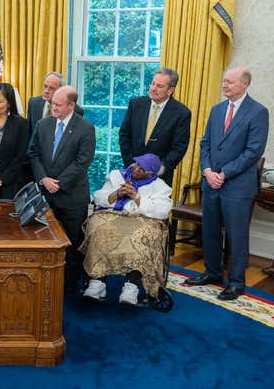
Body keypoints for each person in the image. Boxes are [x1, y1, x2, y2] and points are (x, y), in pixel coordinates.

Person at [185, 67, 269, 301]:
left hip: (238, 186)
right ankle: (212, 273)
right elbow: (205, 144)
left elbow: (254, 151)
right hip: (211, 182)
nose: (225, 85)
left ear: (245, 84)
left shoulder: (258, 112)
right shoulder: (217, 109)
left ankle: (236, 283)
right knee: (210, 231)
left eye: (230, 82)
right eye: (224, 81)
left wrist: (225, 173)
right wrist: (207, 170)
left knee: (236, 235)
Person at [28, 85, 95, 293]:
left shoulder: (86, 128)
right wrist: (43, 179)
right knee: (43, 239)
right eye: (52, 103)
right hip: (45, 194)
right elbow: (33, 153)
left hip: (71, 197)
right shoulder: (43, 124)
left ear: (71, 105)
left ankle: (68, 286)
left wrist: (57, 182)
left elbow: (82, 162)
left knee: (71, 242)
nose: (52, 107)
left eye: (57, 104)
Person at [80, 154, 172, 305]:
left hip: (142, 219)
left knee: (139, 236)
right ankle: (97, 282)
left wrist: (136, 196)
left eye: (141, 169)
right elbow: (98, 197)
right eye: (135, 164)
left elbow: (162, 210)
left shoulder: (160, 186)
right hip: (110, 214)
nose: (135, 169)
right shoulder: (117, 176)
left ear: (150, 174)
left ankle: (132, 286)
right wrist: (117, 193)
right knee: (100, 230)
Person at [119, 67, 191, 186]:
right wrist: (131, 164)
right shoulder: (136, 104)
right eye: (153, 84)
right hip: (132, 172)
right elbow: (124, 136)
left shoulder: (182, 113)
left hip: (160, 178)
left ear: (170, 90)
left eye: (159, 86)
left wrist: (160, 168)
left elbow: (179, 147)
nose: (153, 88)